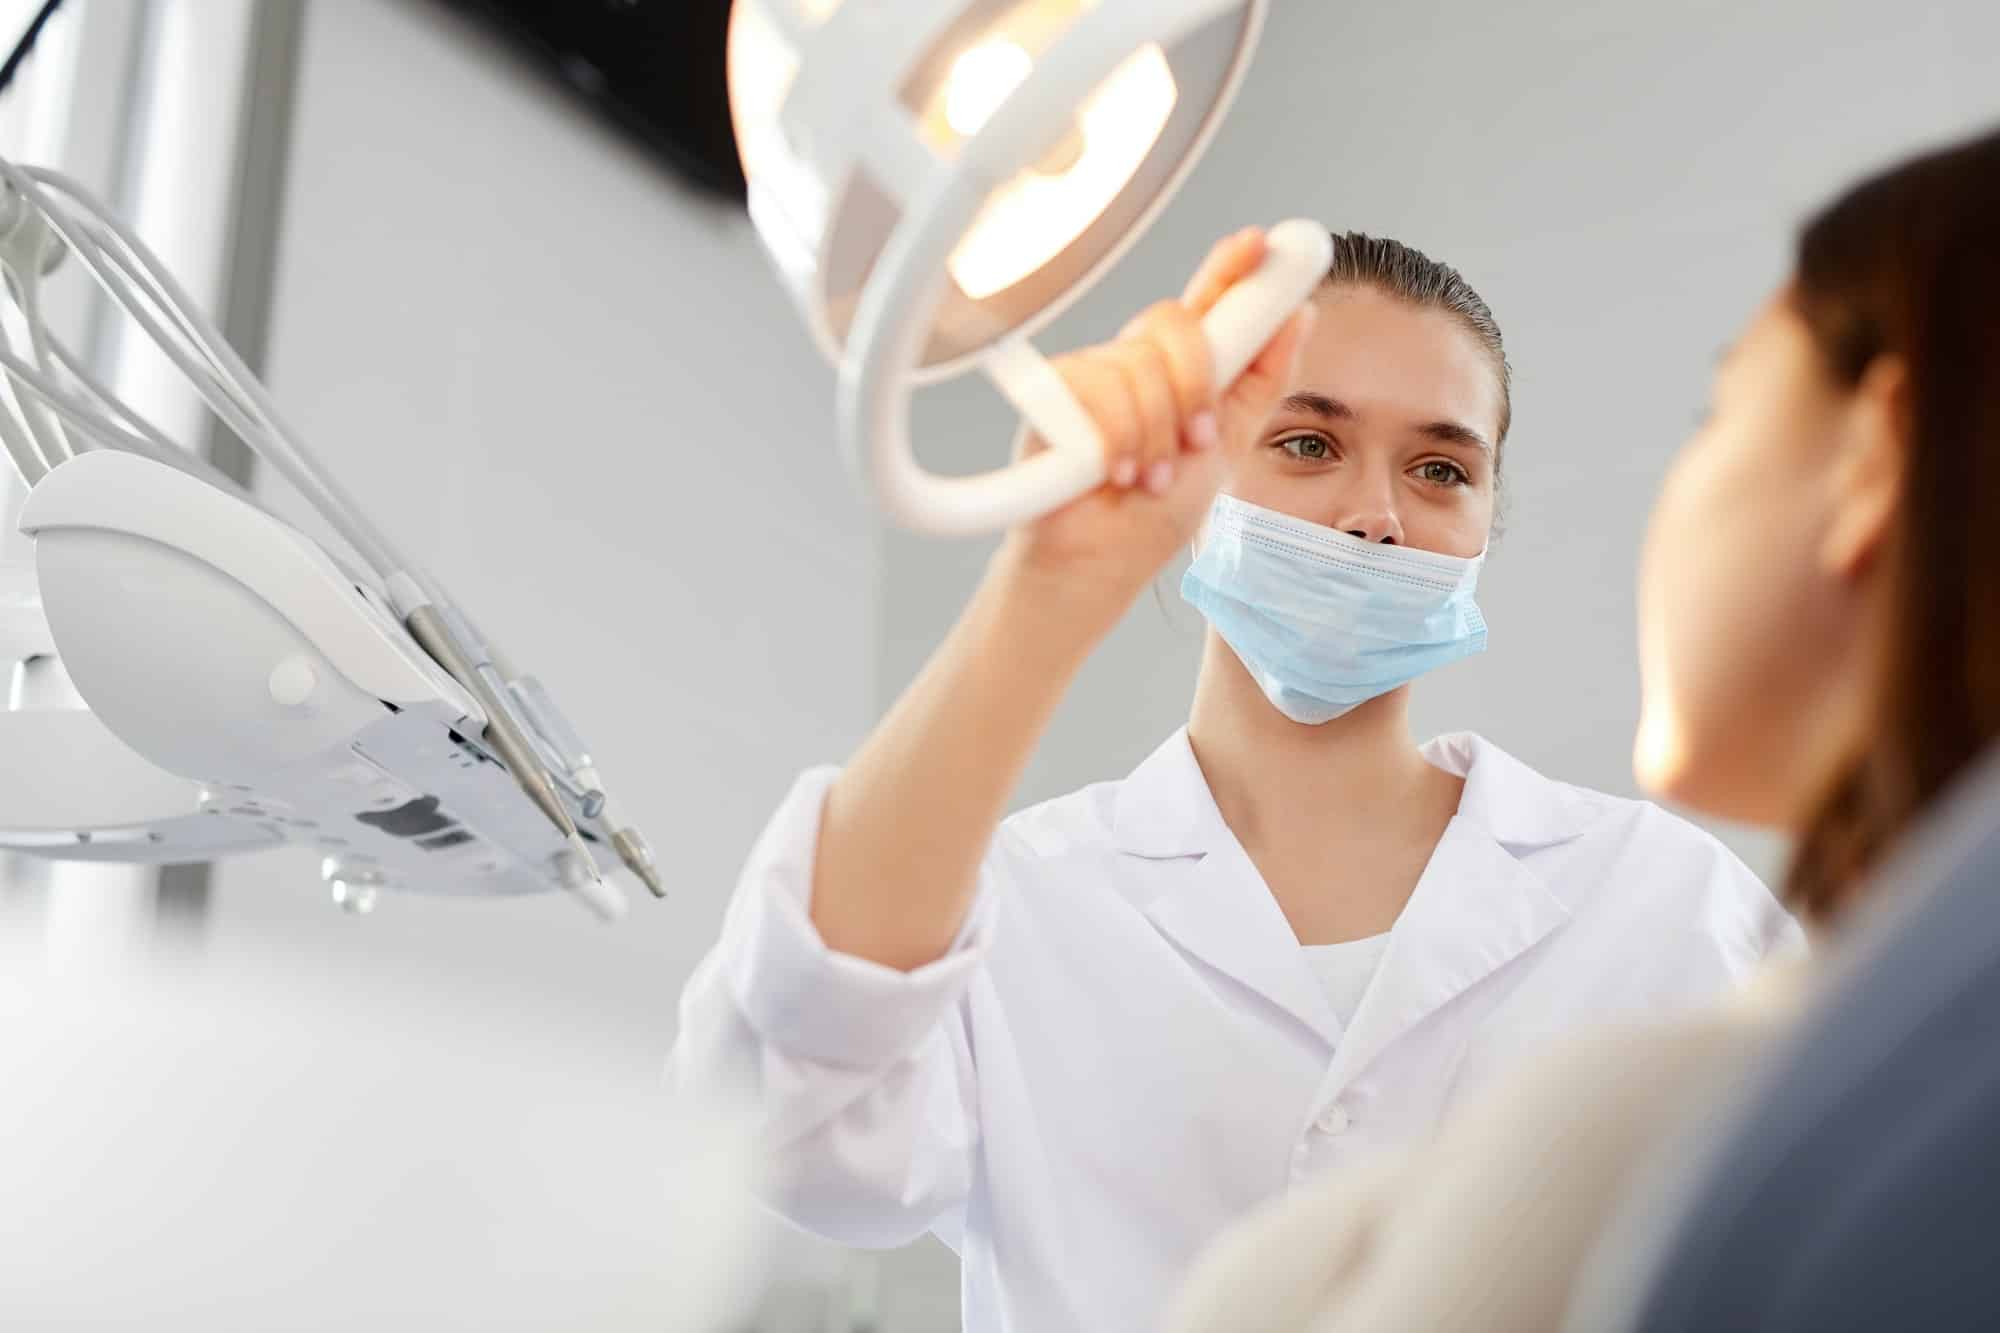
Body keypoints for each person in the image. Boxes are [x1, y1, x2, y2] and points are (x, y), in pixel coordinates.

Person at [670, 230, 1799, 1333]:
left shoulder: (1662, 903)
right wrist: (1050, 580)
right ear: (1200, 478)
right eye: (1308, 444)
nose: (1375, 515)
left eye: (1440, 468)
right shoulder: (1017, 901)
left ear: (1484, 524)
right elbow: (783, 1123)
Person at [1167, 124, 2000, 1332]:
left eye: (1720, 411)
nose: (1373, 520)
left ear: (1872, 456)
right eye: (1307, 444)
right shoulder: (1817, 1055)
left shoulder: (1655, 1093)